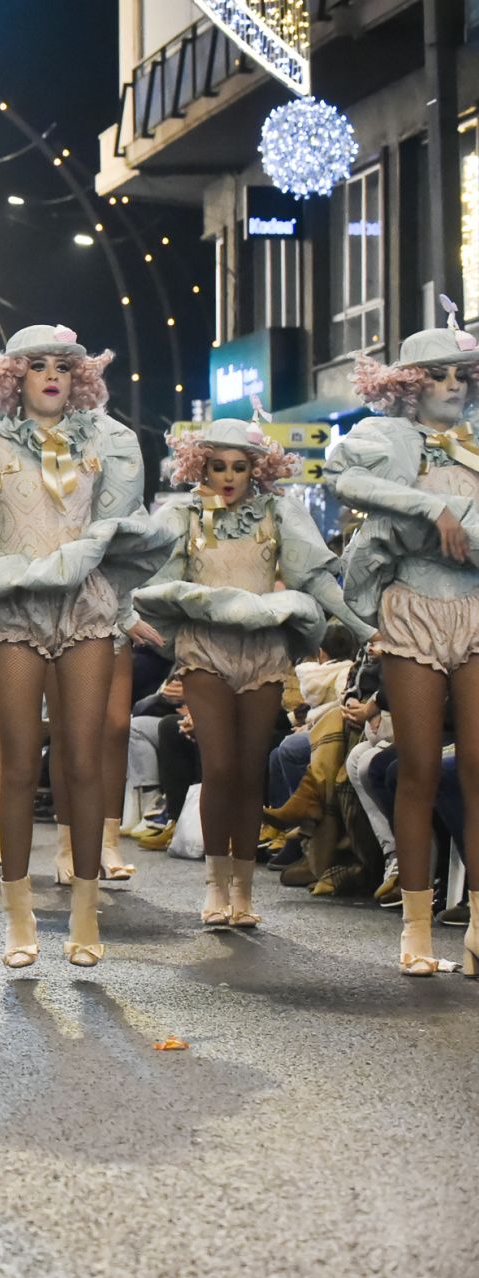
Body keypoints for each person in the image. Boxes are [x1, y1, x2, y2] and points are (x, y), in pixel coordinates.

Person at [0, 324, 169, 969]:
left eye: (64, 365)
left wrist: (123, 602)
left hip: (83, 607)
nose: (53, 374)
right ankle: (18, 917)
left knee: (84, 760)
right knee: (20, 761)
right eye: (38, 365)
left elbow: (122, 530)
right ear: (14, 377)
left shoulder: (110, 440)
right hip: (14, 609)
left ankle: (85, 913)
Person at [134, 419, 370, 930]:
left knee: (249, 770)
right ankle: (215, 886)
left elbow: (316, 580)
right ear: (201, 466)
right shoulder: (184, 516)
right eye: (218, 466)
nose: (228, 477)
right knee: (218, 769)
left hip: (265, 651)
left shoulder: (279, 512)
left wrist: (364, 627)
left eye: (240, 467)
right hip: (206, 650)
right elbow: (153, 580)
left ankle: (243, 889)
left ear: (257, 469)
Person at [326, 315, 479, 975]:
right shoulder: (389, 437)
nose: (451, 385)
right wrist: (431, 508)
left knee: (477, 767)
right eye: (437, 374)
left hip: (476, 608)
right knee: (416, 767)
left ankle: (476, 926)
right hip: (411, 608)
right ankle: (416, 928)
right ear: (410, 385)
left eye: (462, 374)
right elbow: (344, 478)